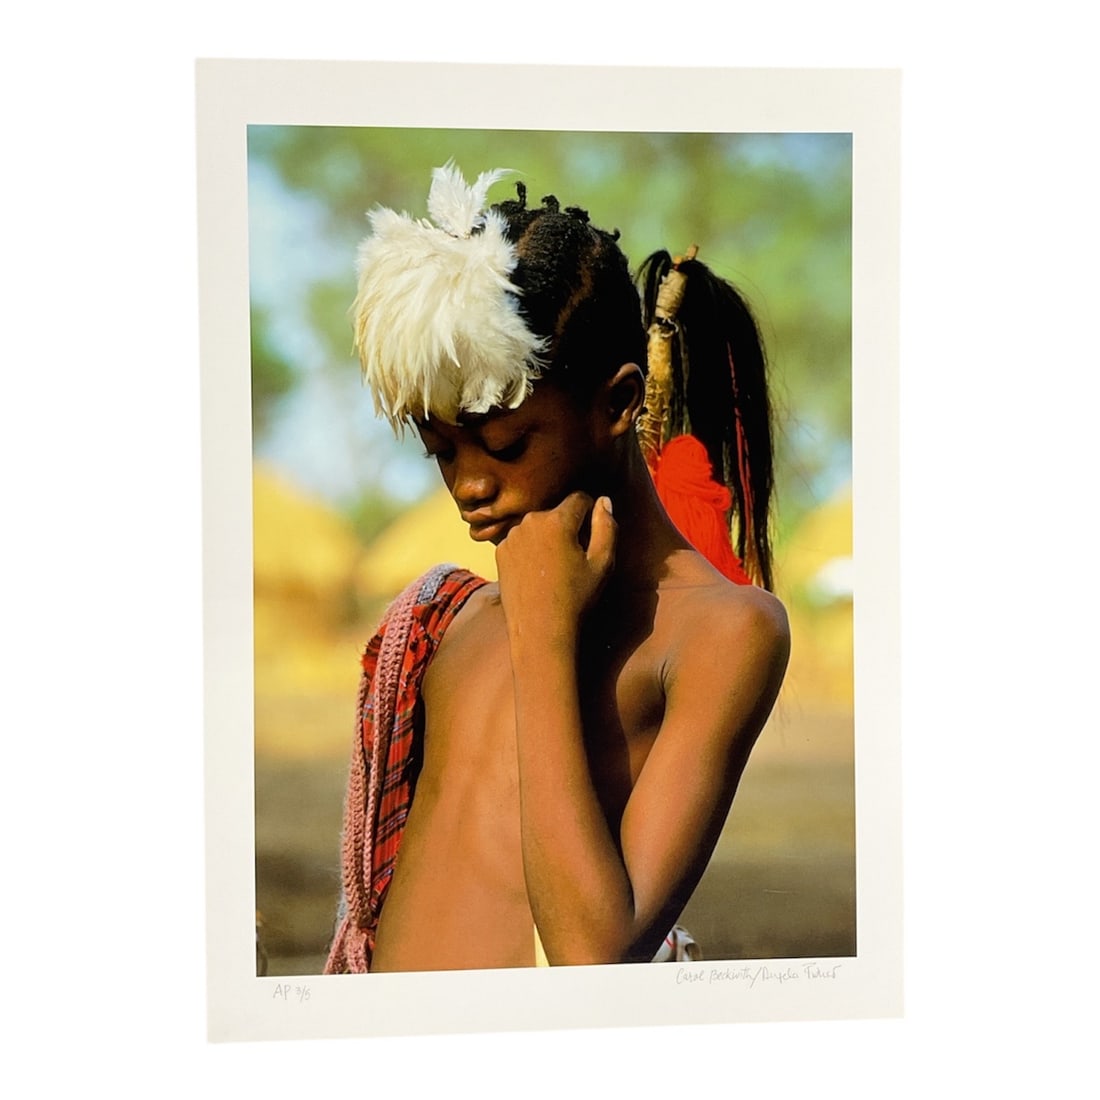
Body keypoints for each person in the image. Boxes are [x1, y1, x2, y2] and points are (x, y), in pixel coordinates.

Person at [324, 163, 790, 972]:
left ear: (616, 405)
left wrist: (543, 634)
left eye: (505, 446)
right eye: (442, 451)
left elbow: (591, 958)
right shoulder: (452, 618)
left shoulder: (724, 633)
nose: (468, 486)